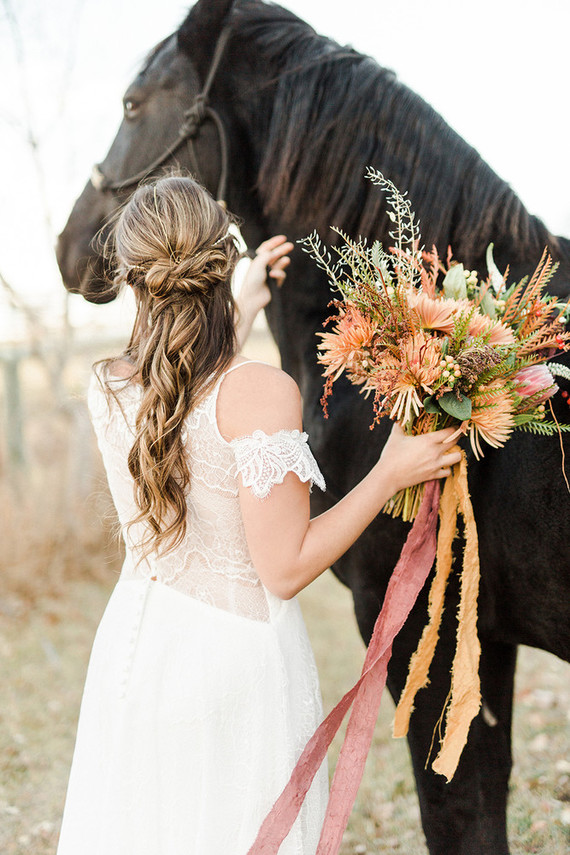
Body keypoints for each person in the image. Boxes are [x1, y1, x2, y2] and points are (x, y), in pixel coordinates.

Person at [56, 175, 461, 855]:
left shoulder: (110, 387)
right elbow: (287, 566)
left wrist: (240, 304)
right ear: (223, 262)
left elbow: (184, 401)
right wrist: (390, 470)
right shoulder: (265, 391)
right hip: (231, 669)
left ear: (131, 274)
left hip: (136, 651)